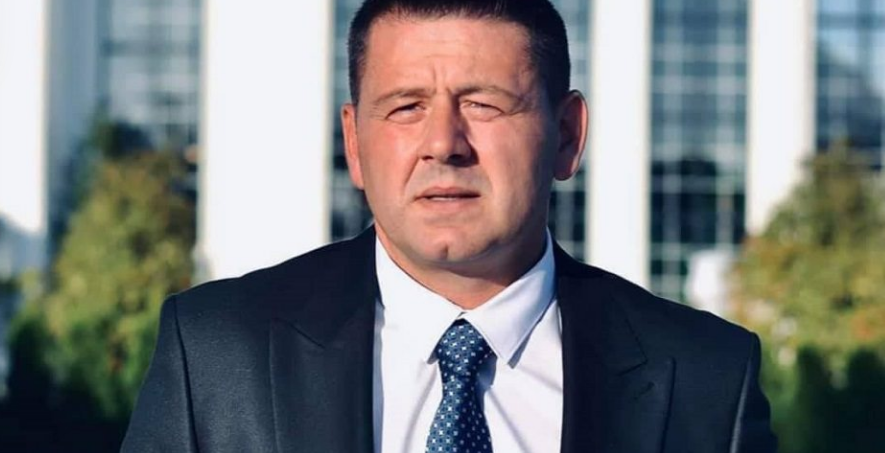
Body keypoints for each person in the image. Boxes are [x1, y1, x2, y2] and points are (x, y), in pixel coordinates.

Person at [121, 0, 777, 452]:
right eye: (405, 107)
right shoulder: (215, 355)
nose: (443, 144)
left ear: (567, 135)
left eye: (484, 104)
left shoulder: (707, 378)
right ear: (354, 143)